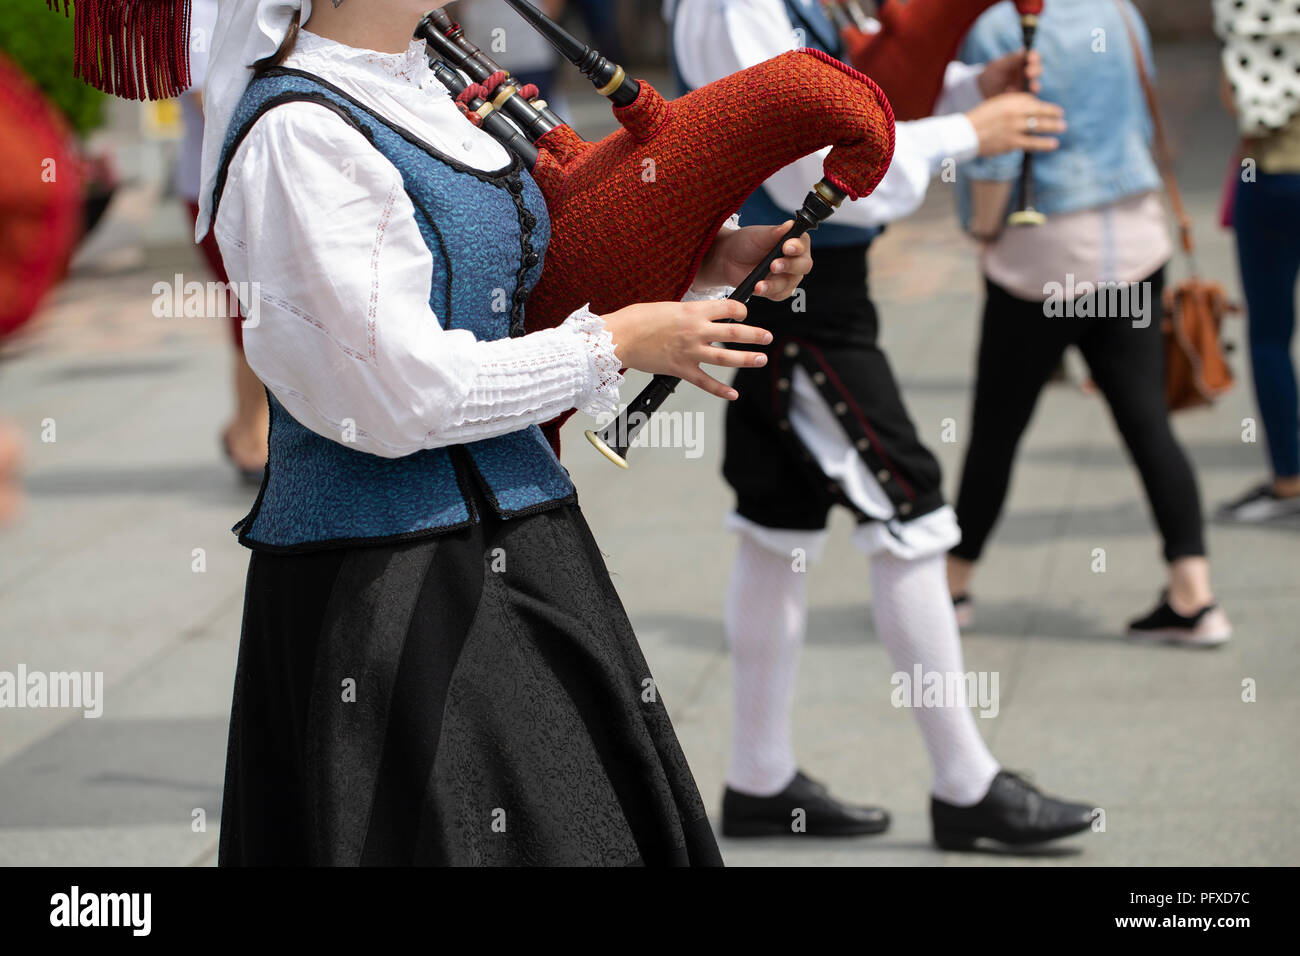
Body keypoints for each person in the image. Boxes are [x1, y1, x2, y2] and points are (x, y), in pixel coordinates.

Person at [201, 0, 814, 865]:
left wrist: (710, 255)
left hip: (526, 544)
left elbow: (523, 266)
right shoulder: (298, 136)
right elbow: (396, 395)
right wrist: (622, 342)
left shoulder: (430, 77)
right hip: (381, 585)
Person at [670, 0, 1095, 850]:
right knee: (912, 513)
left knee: (775, 526)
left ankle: (759, 777)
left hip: (810, 290)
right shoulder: (733, 4)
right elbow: (822, 180)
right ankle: (965, 785)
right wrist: (973, 128)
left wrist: (972, 84)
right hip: (799, 297)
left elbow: (858, 99)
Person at [947, 0, 1233, 648]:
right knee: (1146, 420)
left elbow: (993, 153)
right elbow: (1145, 107)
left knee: (998, 427)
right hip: (1132, 239)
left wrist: (980, 228)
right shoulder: (1120, 12)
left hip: (1041, 252)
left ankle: (953, 584)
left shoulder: (999, 27)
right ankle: (1195, 595)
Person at [1213, 0, 1300, 523]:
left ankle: (1290, 479)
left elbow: (1232, 96)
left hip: (1269, 173)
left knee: (1269, 336)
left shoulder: (1242, 11)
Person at [177, 0, 269, 484]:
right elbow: (208, 100)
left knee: (261, 306)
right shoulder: (194, 11)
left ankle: (249, 429)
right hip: (214, 187)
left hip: (252, 179)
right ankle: (249, 436)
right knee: (253, 308)